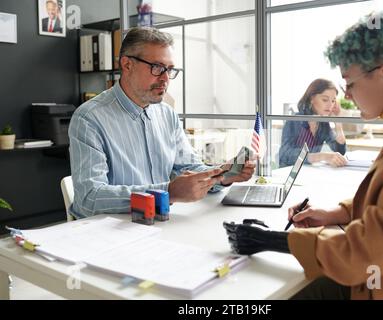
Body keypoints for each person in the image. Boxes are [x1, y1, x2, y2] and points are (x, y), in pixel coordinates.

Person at [224, 11, 383, 299]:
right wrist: (337, 213)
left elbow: (365, 255)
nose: (346, 97)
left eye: (349, 83)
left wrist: (277, 240)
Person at [68, 27, 255, 219]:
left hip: (158, 224)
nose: (165, 78)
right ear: (127, 65)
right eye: (157, 67)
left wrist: (223, 175)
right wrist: (168, 192)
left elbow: (189, 167)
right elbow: (89, 199)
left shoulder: (167, 114)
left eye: (170, 69)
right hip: (111, 233)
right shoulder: (89, 118)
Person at [278, 79, 347, 168]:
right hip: (288, 173)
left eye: (333, 101)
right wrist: (321, 156)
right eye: (325, 100)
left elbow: (340, 150)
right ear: (312, 99)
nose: (330, 105)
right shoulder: (294, 120)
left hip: (308, 171)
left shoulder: (322, 124)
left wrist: (338, 123)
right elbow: (285, 154)